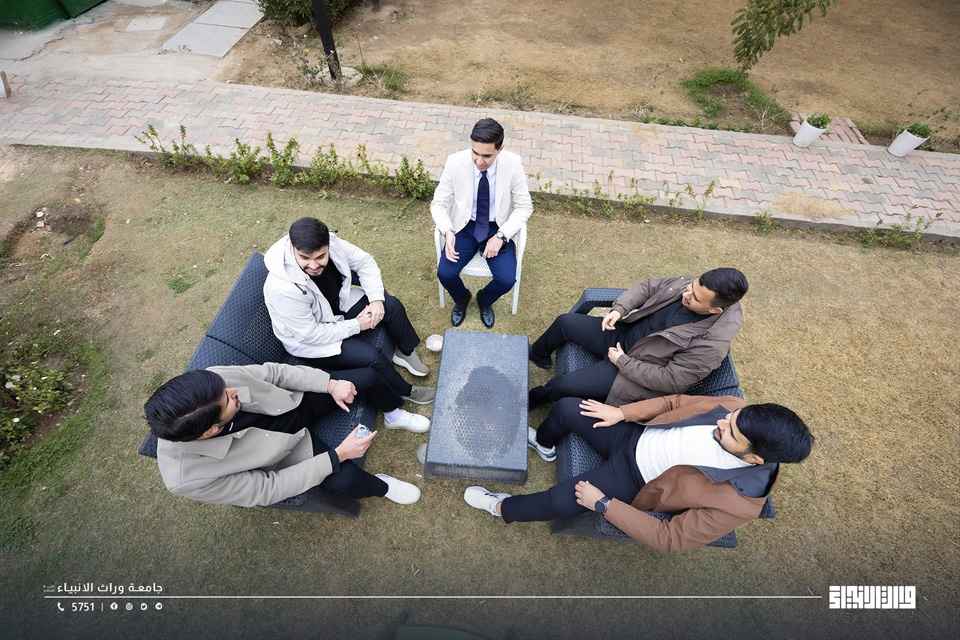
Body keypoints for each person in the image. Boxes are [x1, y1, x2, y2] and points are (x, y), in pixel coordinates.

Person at [464, 393, 813, 553]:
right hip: (634, 434)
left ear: (754, 459)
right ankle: (544, 445)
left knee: (560, 500)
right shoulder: (735, 409)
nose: (721, 422)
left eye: (731, 432)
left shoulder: (740, 503)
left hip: (635, 479)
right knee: (568, 408)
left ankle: (500, 506)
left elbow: (672, 539)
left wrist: (604, 505)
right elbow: (675, 403)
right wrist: (622, 414)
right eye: (730, 419)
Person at [145, 363, 423, 508]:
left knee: (365, 378)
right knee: (347, 480)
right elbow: (268, 489)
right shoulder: (187, 478)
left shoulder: (211, 384)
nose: (233, 391)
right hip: (287, 452)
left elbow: (274, 373)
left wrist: (330, 384)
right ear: (211, 430)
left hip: (291, 403)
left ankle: (393, 414)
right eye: (228, 400)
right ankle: (383, 486)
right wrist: (338, 455)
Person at [264, 217, 435, 412]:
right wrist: (356, 325)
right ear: (292, 247)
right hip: (311, 340)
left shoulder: (333, 242)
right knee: (372, 358)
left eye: (320, 257)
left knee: (391, 306)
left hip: (337, 306)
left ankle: (405, 352)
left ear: (328, 244)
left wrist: (376, 300)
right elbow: (309, 334)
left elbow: (364, 261)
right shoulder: (282, 289)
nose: (313, 265)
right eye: (305, 258)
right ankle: (405, 391)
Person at [527, 268, 748, 409]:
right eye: (690, 287)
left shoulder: (711, 345)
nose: (686, 294)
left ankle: (532, 400)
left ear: (715, 310)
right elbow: (648, 288)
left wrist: (622, 362)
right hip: (622, 334)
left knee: (563, 384)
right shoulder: (700, 286)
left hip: (632, 372)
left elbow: (670, 380)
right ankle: (539, 355)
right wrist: (620, 309)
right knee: (565, 322)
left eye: (695, 298)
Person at [430, 118, 533, 328]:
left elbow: (524, 207)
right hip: (465, 227)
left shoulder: (513, 164)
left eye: (487, 156)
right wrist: (448, 231)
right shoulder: (455, 162)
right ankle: (462, 298)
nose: (479, 161)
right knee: (445, 273)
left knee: (507, 279)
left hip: (497, 227)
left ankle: (484, 300)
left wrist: (501, 236)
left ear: (500, 149)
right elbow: (438, 204)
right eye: (475, 153)